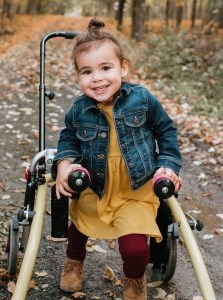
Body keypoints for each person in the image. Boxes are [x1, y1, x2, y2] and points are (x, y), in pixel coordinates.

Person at [52, 18, 182, 300]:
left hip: (135, 189)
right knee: (78, 229)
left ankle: (134, 280)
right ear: (78, 76)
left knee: (135, 248)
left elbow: (167, 132)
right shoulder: (78, 109)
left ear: (123, 68)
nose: (96, 78)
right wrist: (64, 165)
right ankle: (74, 262)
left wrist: (168, 166)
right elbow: (68, 140)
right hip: (96, 185)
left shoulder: (143, 100)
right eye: (87, 72)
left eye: (106, 68)